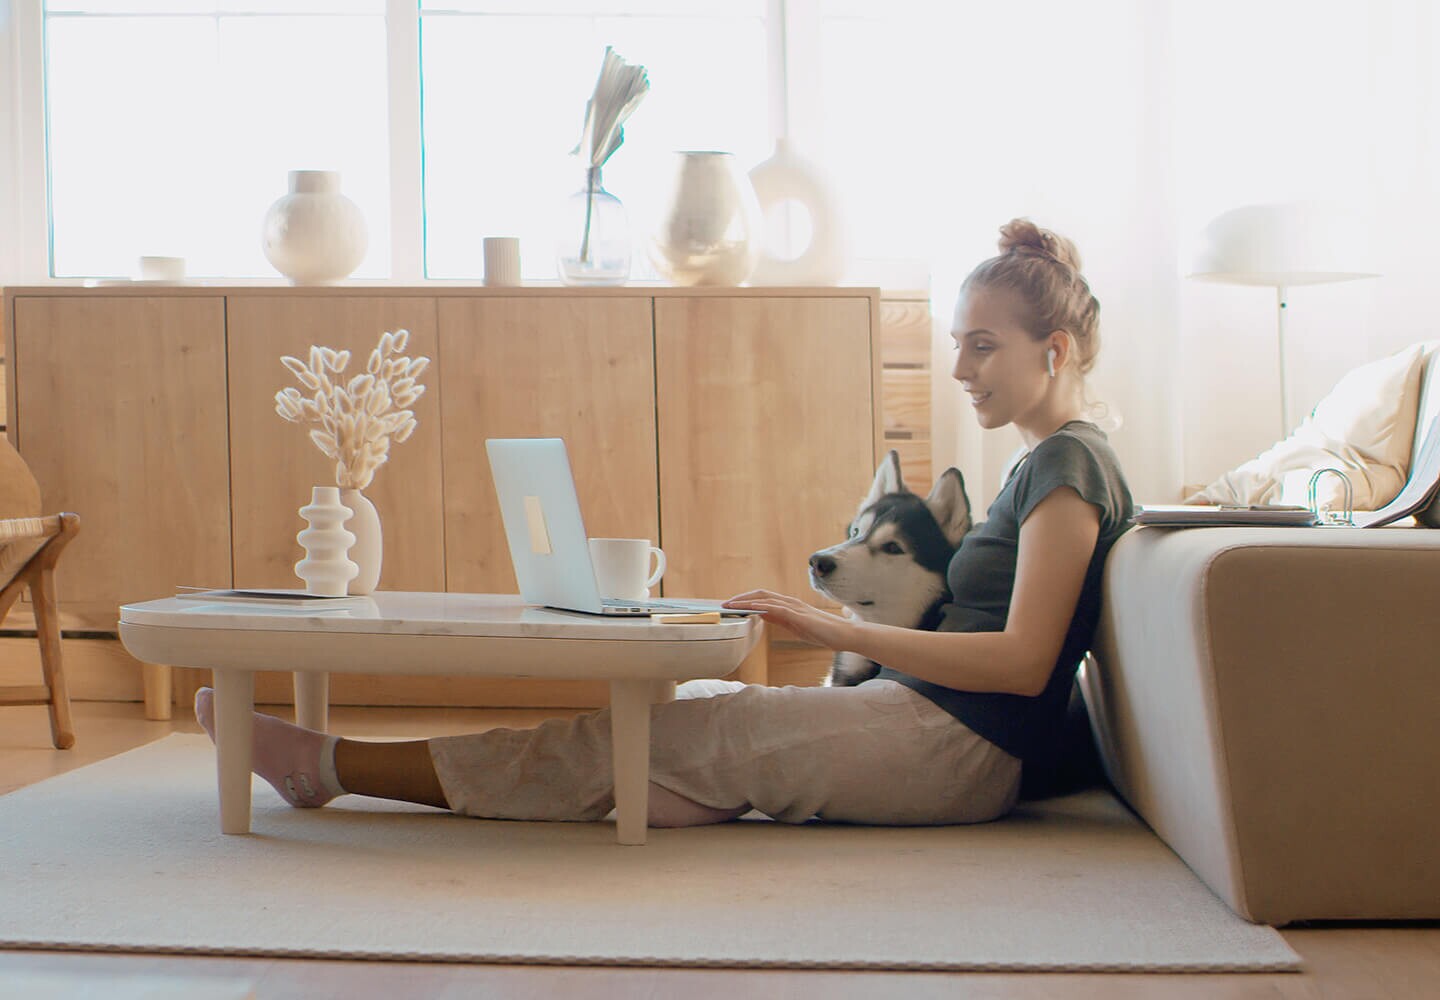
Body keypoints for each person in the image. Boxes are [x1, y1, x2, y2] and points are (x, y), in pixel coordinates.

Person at [193, 218, 1134, 829]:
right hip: (933, 728)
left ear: (1052, 351)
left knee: (646, 740)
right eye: (957, 344)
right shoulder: (1046, 463)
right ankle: (669, 791)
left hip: (955, 750)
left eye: (983, 345)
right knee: (666, 738)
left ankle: (332, 766)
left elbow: (1023, 661)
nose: (963, 368)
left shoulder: (1067, 467)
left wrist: (832, 630)